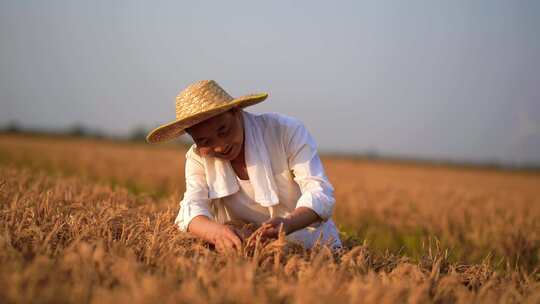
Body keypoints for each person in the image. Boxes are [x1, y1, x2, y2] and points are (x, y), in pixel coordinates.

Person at [146, 80, 341, 252]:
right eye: (205, 141)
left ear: (236, 111)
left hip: (313, 251)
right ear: (193, 138)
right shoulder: (197, 158)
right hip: (249, 255)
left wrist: (287, 224)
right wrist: (216, 233)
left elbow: (319, 192)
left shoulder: (285, 131)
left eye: (224, 130)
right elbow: (191, 209)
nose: (221, 146)